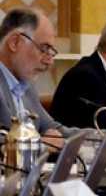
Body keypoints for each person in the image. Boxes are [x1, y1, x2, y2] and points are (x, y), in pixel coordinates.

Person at [0, 8, 72, 138]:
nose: (49, 62)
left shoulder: (26, 86)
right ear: (14, 43)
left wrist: (100, 135)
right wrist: (41, 145)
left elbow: (52, 127)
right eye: (44, 48)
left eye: (51, 51)